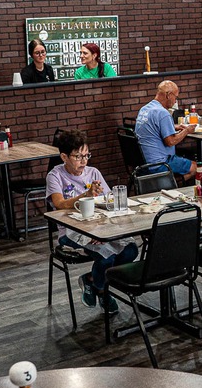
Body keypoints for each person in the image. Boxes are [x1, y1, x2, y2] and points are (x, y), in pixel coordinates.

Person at [46, 130, 137, 314]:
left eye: (86, 155)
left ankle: (91, 280)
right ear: (64, 156)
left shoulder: (93, 172)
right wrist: (85, 195)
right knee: (107, 256)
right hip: (71, 231)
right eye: (78, 156)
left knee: (131, 249)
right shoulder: (55, 176)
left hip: (98, 227)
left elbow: (109, 200)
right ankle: (103, 291)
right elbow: (60, 204)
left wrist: (103, 228)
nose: (84, 161)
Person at [135, 80, 196, 180]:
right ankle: (168, 185)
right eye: (175, 97)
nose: (175, 101)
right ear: (168, 95)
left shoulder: (145, 109)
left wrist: (174, 127)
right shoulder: (163, 113)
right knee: (195, 167)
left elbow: (152, 127)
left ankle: (167, 184)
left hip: (142, 162)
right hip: (160, 164)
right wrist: (187, 131)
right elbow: (171, 141)